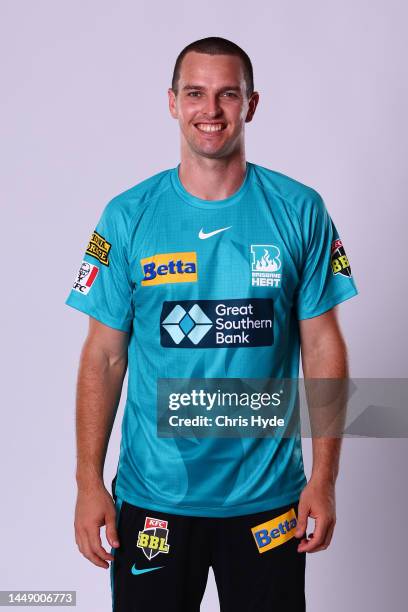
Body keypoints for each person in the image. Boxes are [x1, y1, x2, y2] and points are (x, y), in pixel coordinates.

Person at [66, 36, 358, 612]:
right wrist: (87, 481)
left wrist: (324, 478)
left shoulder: (301, 210)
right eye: (196, 93)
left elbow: (323, 344)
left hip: (267, 503)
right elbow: (103, 355)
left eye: (229, 94)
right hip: (154, 501)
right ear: (172, 102)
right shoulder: (127, 216)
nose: (212, 110)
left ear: (251, 105)